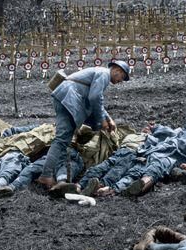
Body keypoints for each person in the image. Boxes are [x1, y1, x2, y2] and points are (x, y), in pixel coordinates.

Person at [38, 61, 130, 190]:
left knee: (63, 141)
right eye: (122, 77)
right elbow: (94, 97)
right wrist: (101, 120)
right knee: (61, 140)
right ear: (117, 70)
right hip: (69, 97)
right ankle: (46, 176)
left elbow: (97, 99)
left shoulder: (100, 73)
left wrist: (108, 118)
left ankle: (60, 179)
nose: (121, 81)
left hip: (66, 96)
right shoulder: (104, 74)